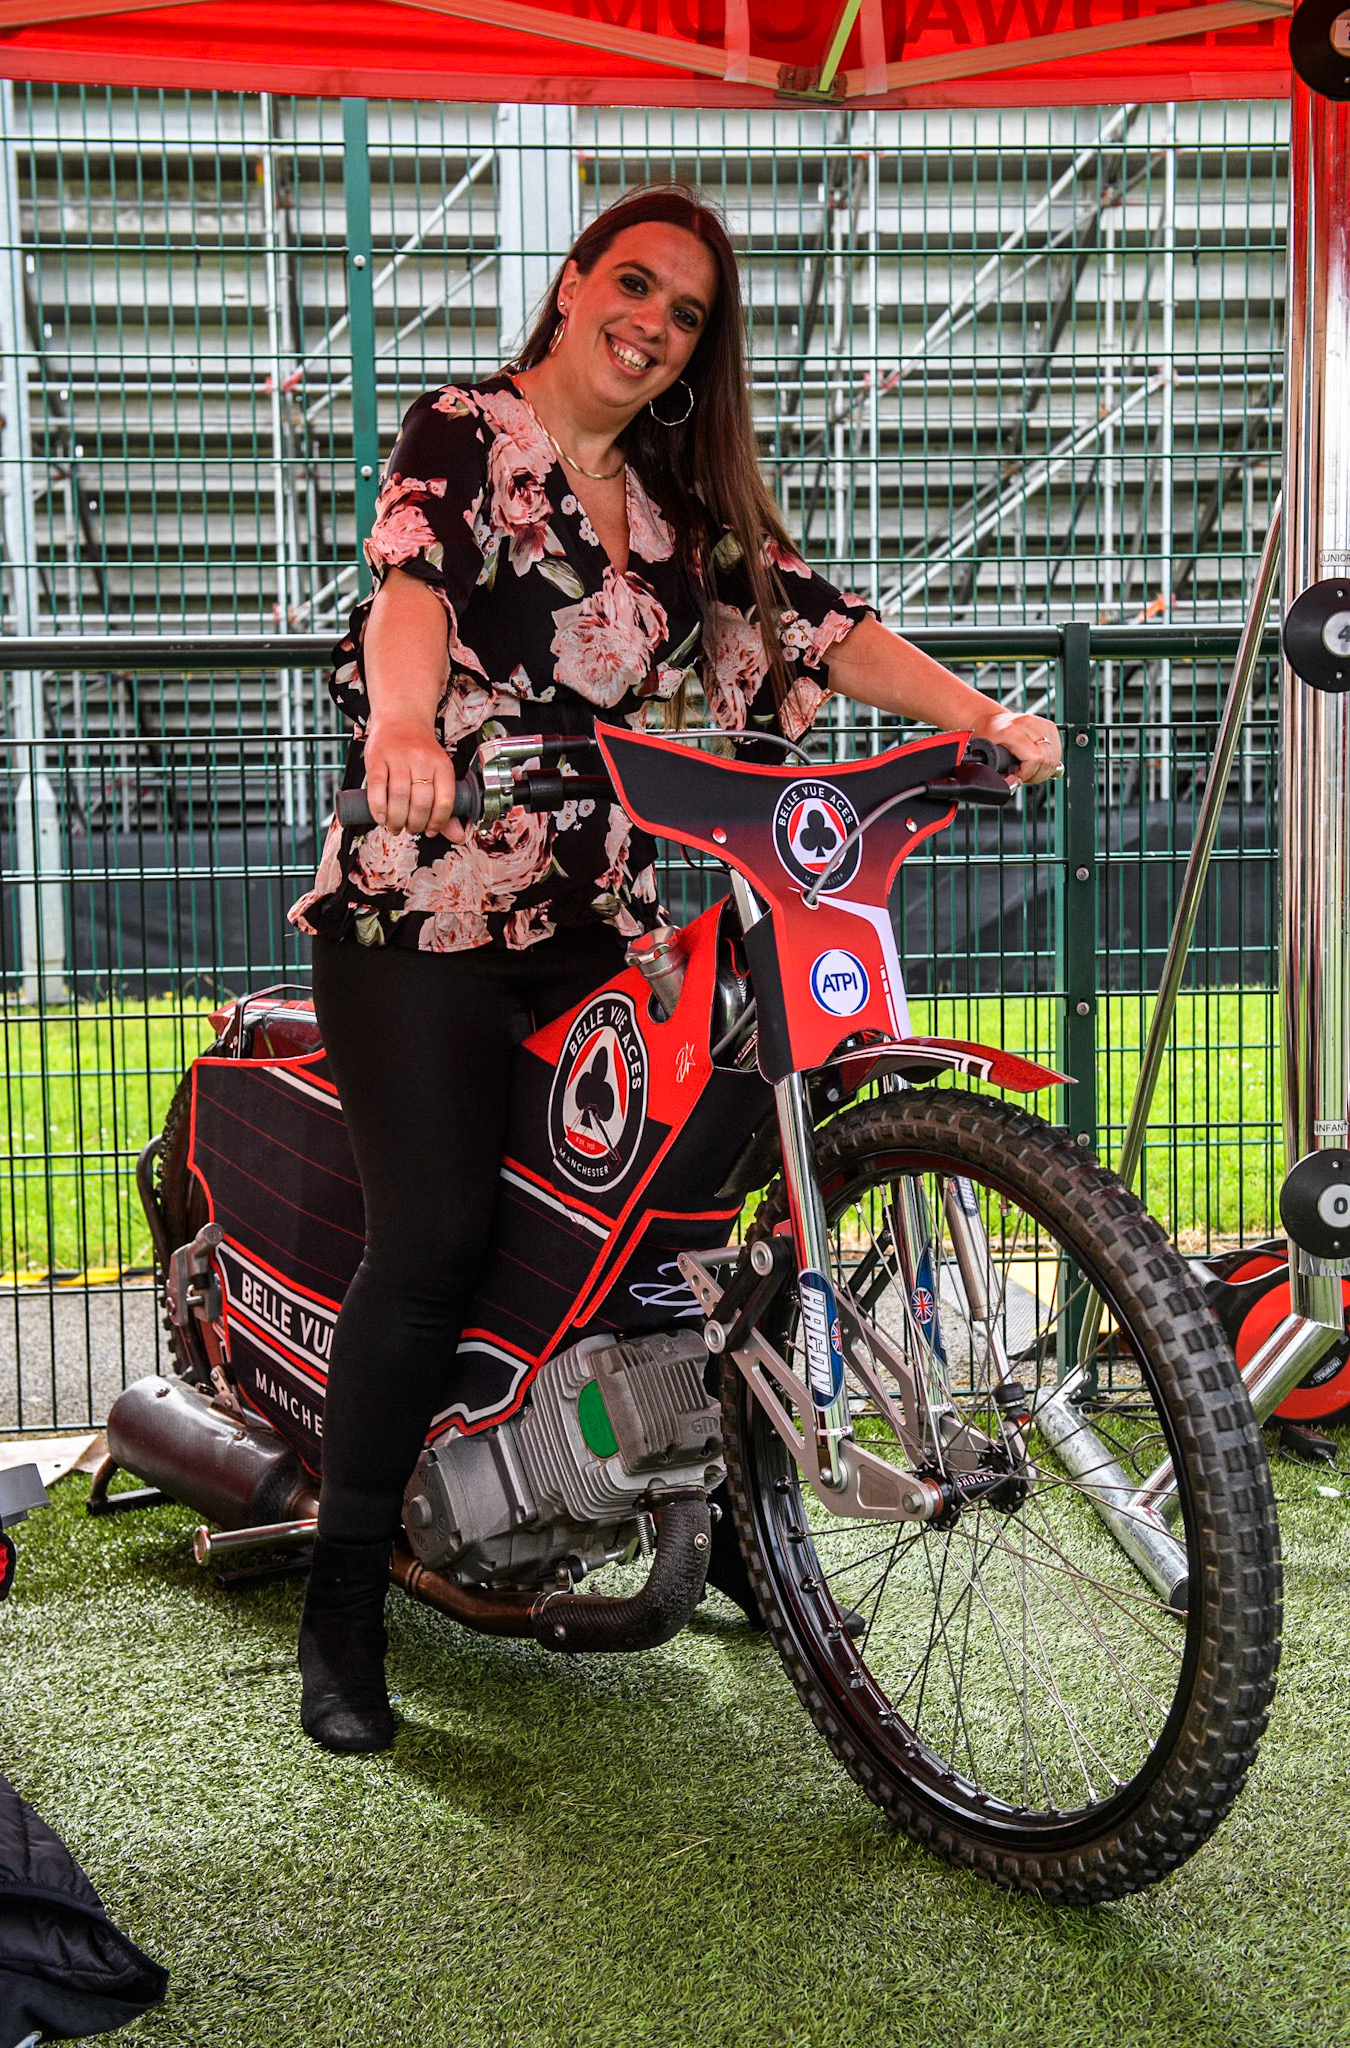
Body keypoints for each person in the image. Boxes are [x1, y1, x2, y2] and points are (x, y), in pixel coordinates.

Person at [288, 184, 1062, 1755]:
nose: (648, 323)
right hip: (426, 902)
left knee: (682, 1208)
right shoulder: (464, 428)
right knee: (430, 1241)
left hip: (602, 919)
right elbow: (413, 592)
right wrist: (397, 732)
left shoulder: (676, 508)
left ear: (700, 349)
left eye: (685, 311)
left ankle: (667, 1497)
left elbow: (822, 629)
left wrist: (976, 717)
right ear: (572, 288)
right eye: (629, 285)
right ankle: (343, 1603)